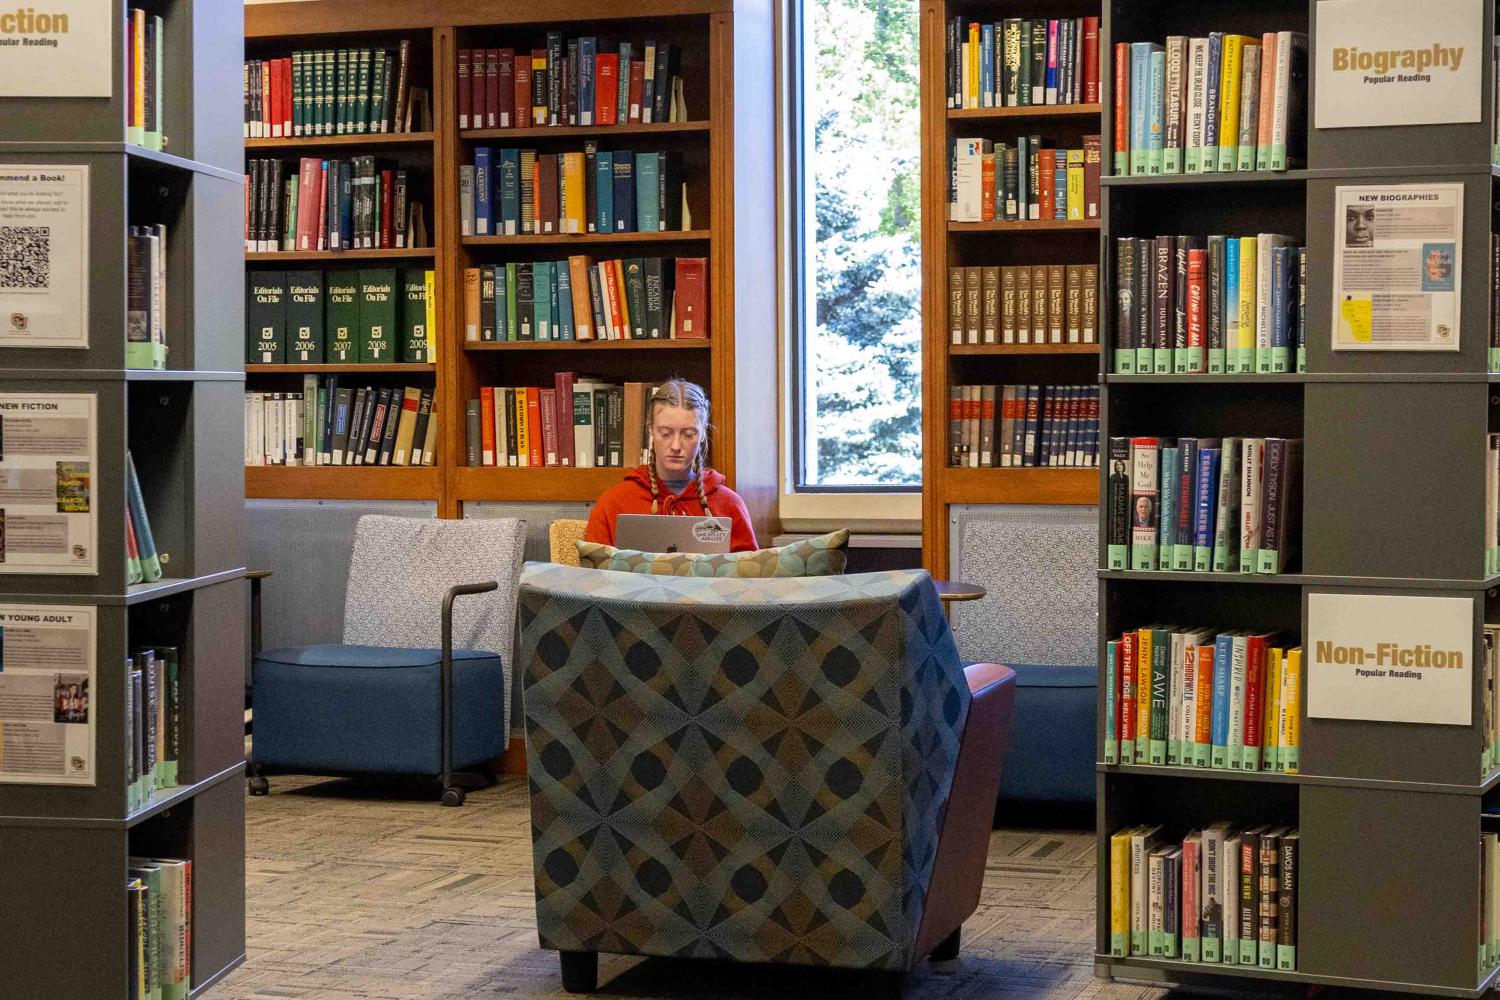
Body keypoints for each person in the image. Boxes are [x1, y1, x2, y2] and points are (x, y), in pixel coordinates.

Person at [584, 378, 758, 551]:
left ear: (703, 434)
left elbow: (748, 574)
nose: (676, 446)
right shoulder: (614, 503)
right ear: (651, 430)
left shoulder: (728, 504)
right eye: (666, 433)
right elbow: (594, 574)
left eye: (688, 435)